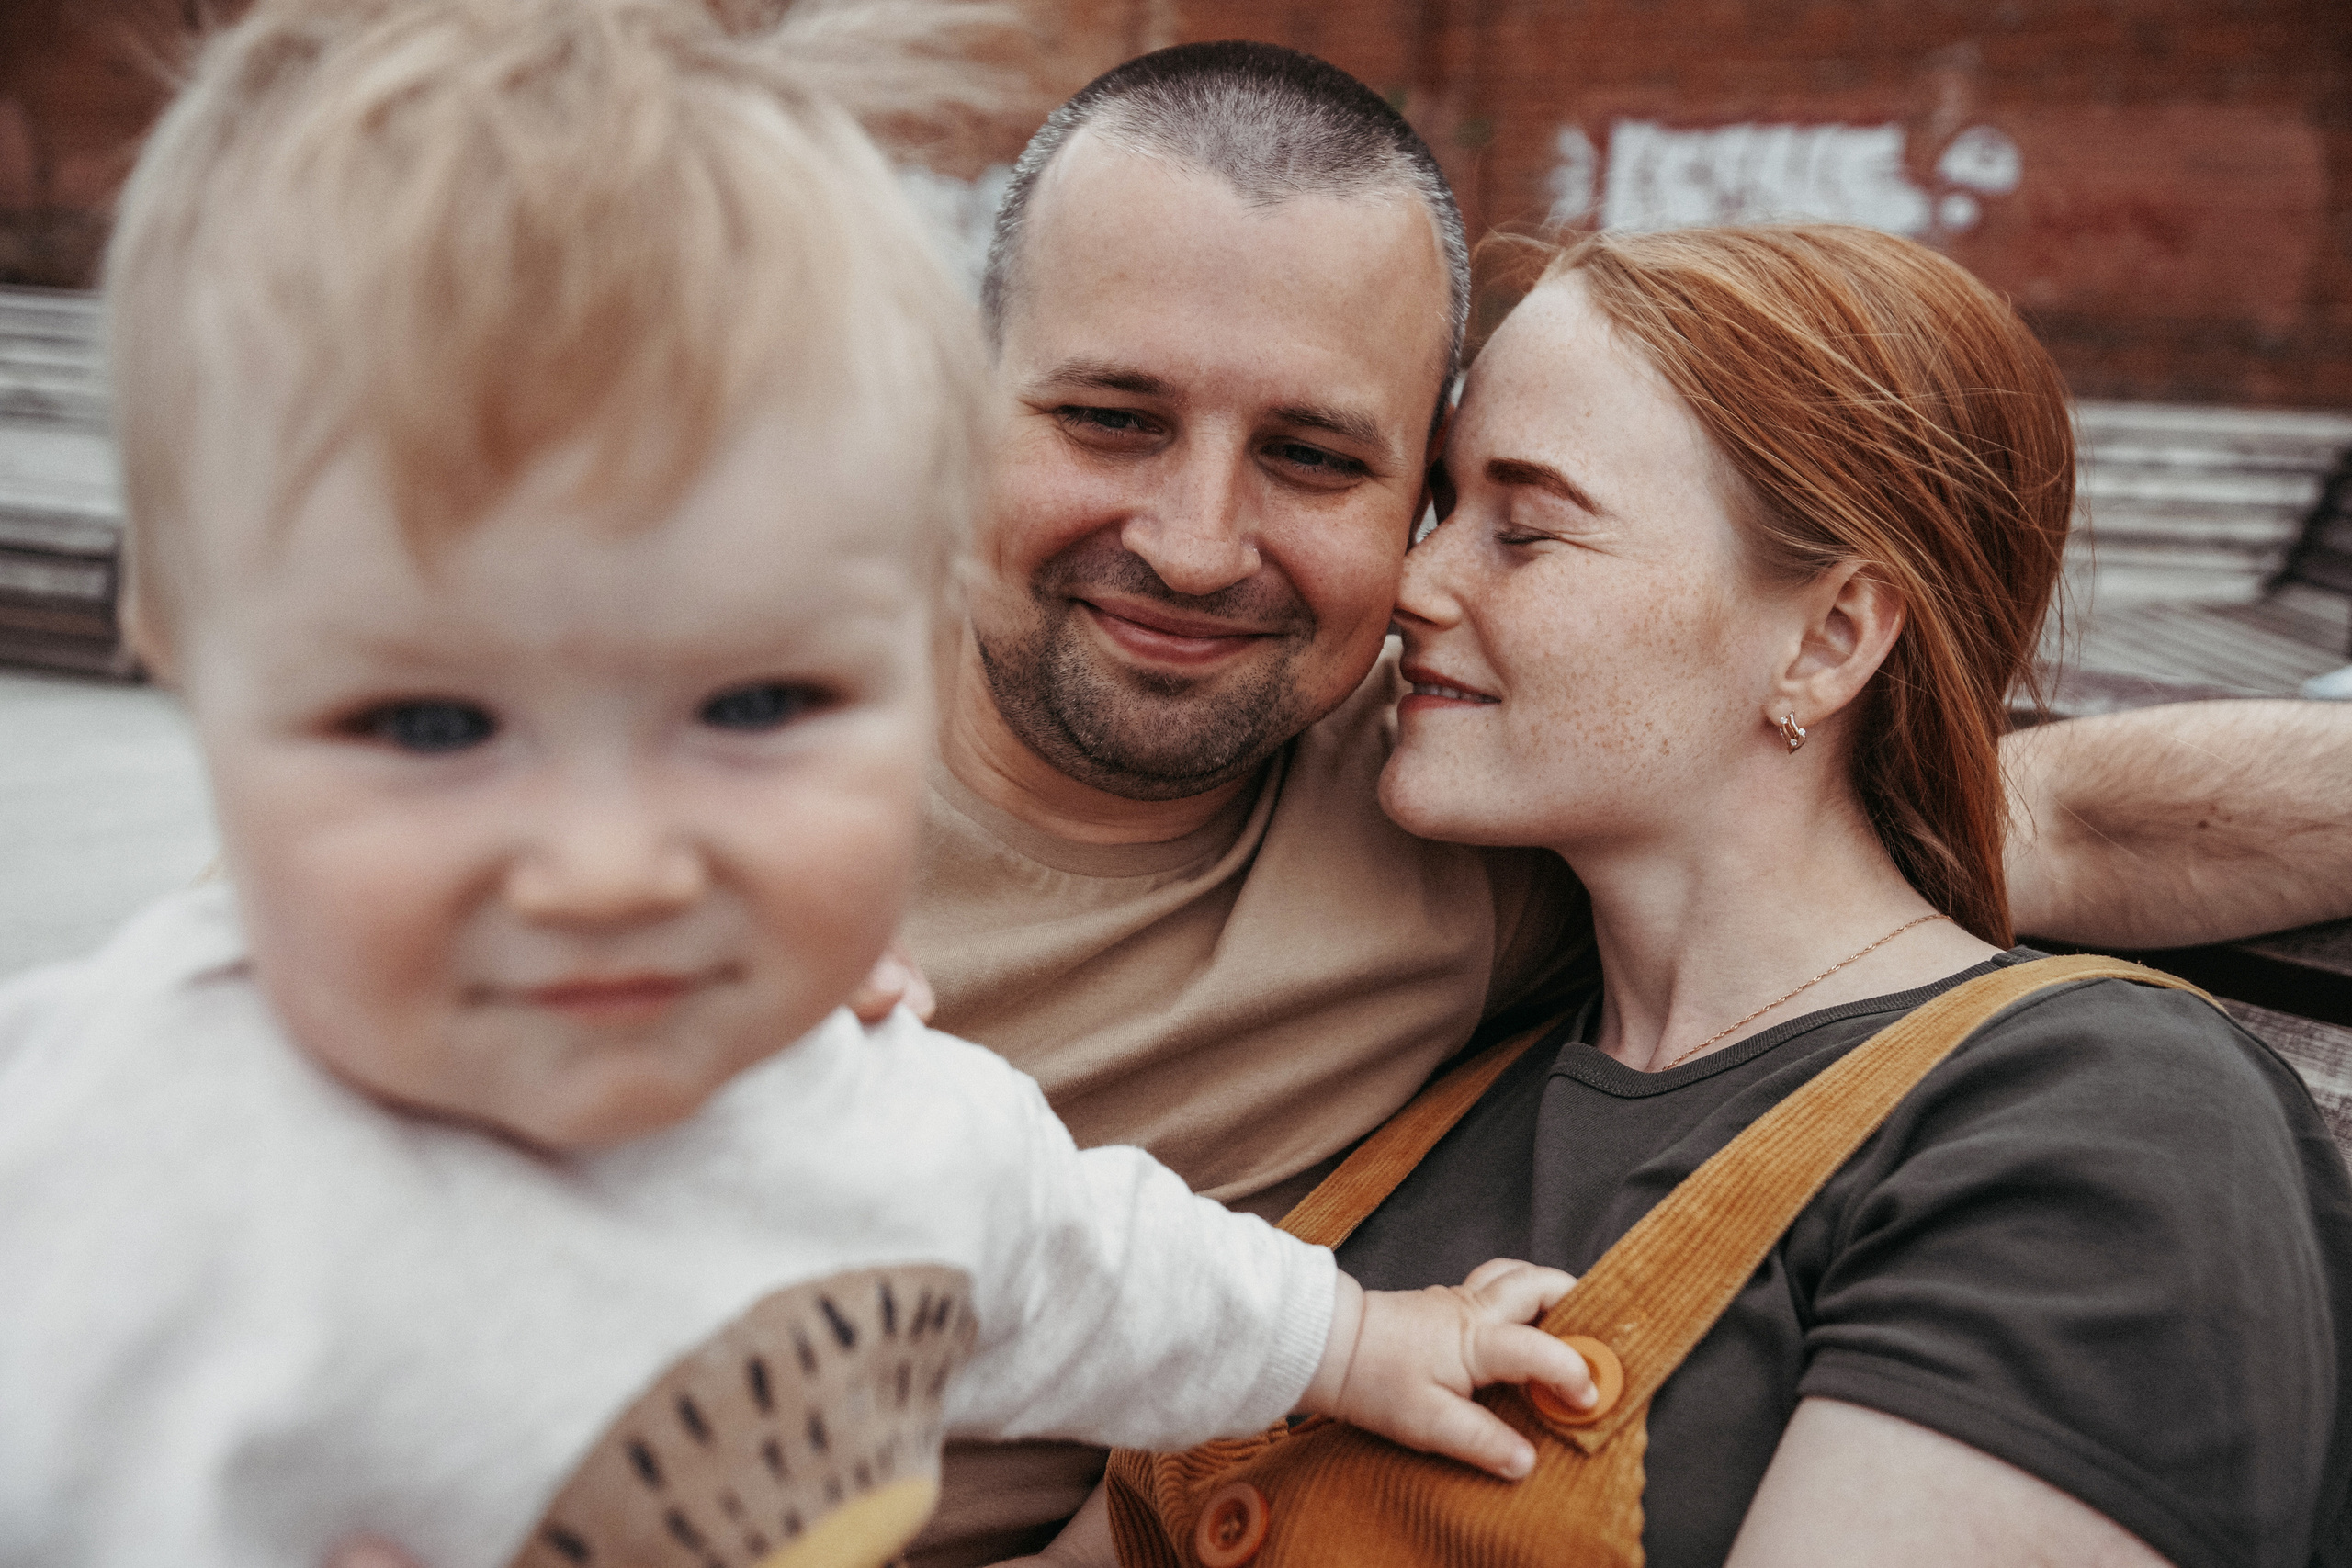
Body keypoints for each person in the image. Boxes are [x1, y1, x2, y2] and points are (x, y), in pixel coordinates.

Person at [0, 5, 1603, 1563]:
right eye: (1108, 419)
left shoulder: (1456, 822)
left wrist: (1362, 1345)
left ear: (1424, 503)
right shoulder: (173, 1121)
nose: (1192, 542)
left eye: (1317, 457)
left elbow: (1083, 1260)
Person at [908, 40, 2352, 1564]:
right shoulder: (710, 749)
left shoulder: (2060, 1100)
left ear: (1829, 637)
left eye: (1514, 528)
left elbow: (2049, 821)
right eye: (1111, 420)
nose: (1414, 585)